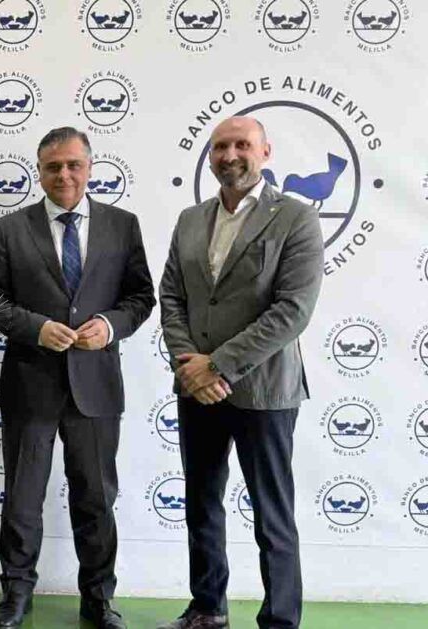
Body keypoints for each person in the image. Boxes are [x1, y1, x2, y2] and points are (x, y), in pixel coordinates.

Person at [0, 127, 155, 629]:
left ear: (90, 167)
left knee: (96, 498)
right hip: (30, 384)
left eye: (74, 164)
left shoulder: (123, 226)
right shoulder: (10, 228)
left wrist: (111, 325)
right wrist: (36, 328)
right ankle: (16, 596)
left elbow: (141, 297)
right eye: (53, 166)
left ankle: (98, 600)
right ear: (39, 172)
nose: (64, 175)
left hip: (95, 387)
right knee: (22, 498)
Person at [157, 116, 323, 629]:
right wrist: (190, 365)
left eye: (242, 145)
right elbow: (172, 296)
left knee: (272, 514)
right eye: (220, 147)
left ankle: (280, 620)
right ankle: (208, 608)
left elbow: (292, 310)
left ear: (265, 152)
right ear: (210, 156)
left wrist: (217, 364)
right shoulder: (190, 219)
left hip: (265, 391)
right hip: (197, 388)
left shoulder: (296, 217)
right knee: (202, 505)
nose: (230, 155)